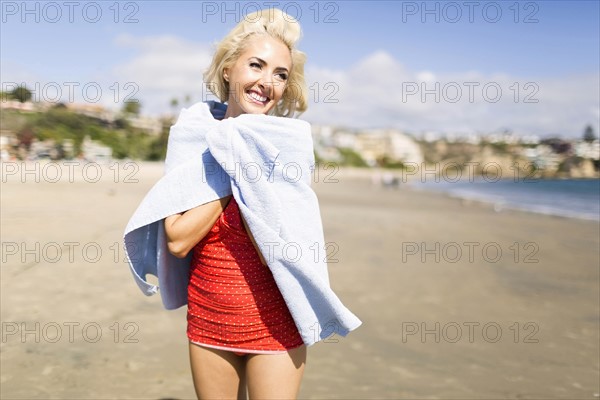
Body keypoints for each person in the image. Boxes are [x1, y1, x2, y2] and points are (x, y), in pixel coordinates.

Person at [163, 8, 311, 399]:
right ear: (229, 69)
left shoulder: (286, 148)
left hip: (277, 319)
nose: (267, 82)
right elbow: (177, 240)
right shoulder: (193, 139)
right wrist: (232, 162)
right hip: (210, 317)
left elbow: (277, 250)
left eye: (280, 74)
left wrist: (244, 154)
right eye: (256, 66)